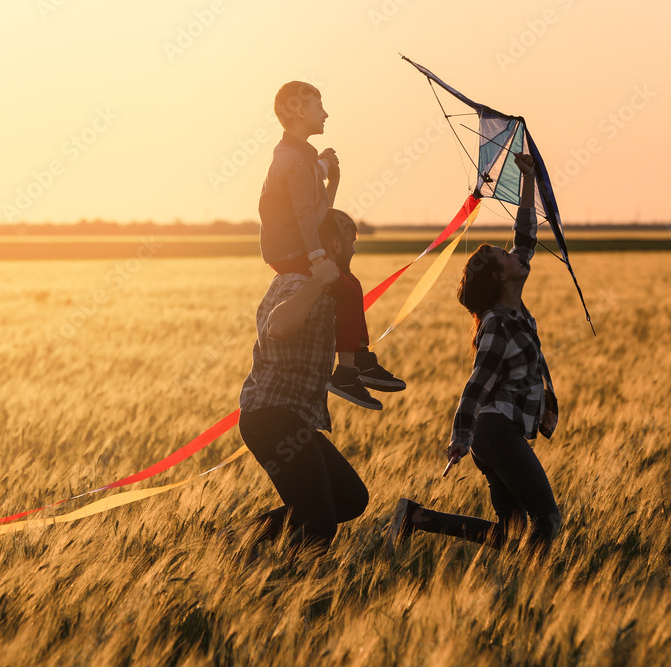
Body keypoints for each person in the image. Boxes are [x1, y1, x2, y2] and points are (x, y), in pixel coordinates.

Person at [386, 153, 563, 555]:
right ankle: (534, 589)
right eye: (506, 257)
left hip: (504, 431)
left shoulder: (514, 309)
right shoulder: (499, 322)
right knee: (547, 519)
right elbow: (475, 385)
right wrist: (462, 437)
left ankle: (416, 519)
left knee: (514, 530)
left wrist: (527, 181)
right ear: (501, 276)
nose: (516, 256)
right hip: (495, 432)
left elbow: (526, 237)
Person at [258, 81, 405, 411]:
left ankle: (360, 361)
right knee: (349, 291)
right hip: (291, 254)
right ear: (299, 110)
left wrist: (331, 175)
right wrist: (317, 257)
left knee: (350, 284)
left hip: (293, 250)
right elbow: (306, 215)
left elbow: (315, 191)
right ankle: (347, 373)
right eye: (318, 106)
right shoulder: (296, 163)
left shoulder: (297, 157)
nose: (325, 113)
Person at [238, 209, 370, 554]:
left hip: (289, 417)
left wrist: (332, 179)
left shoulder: (312, 277)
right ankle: (290, 588)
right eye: (351, 243)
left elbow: (319, 221)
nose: (354, 251)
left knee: (350, 498)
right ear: (336, 244)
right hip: (273, 417)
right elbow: (278, 327)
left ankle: (237, 539)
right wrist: (317, 282)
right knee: (318, 522)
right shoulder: (301, 282)